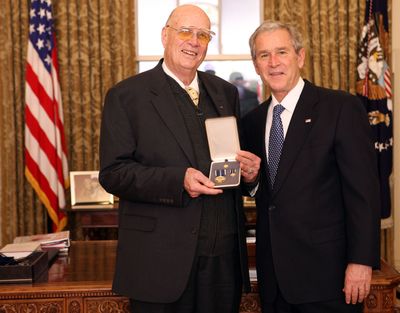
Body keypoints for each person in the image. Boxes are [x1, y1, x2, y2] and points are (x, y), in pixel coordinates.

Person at [98, 4, 260, 313]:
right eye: (185, 31)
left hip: (223, 260)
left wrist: (249, 176)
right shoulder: (127, 96)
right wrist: (177, 180)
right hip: (159, 263)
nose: (194, 42)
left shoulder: (225, 92)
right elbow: (113, 173)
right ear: (165, 35)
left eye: (203, 35)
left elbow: (229, 164)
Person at [241, 20, 381, 313]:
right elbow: (267, 192)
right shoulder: (251, 122)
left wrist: (361, 261)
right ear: (255, 65)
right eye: (264, 55)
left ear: (300, 57)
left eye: (282, 52)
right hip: (274, 280)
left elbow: (364, 194)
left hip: (328, 278)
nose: (274, 62)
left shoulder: (340, 108)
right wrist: (252, 180)